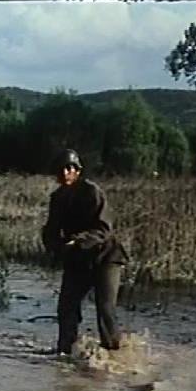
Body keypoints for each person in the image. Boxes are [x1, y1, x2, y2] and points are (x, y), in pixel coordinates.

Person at [41, 149, 128, 356]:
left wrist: (79, 240)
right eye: (61, 169)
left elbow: (104, 229)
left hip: (106, 257)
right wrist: (53, 247)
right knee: (66, 307)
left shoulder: (92, 192)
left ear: (77, 171)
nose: (65, 173)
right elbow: (51, 229)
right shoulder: (57, 198)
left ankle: (113, 356)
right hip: (78, 258)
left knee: (105, 309)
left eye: (69, 168)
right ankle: (64, 353)